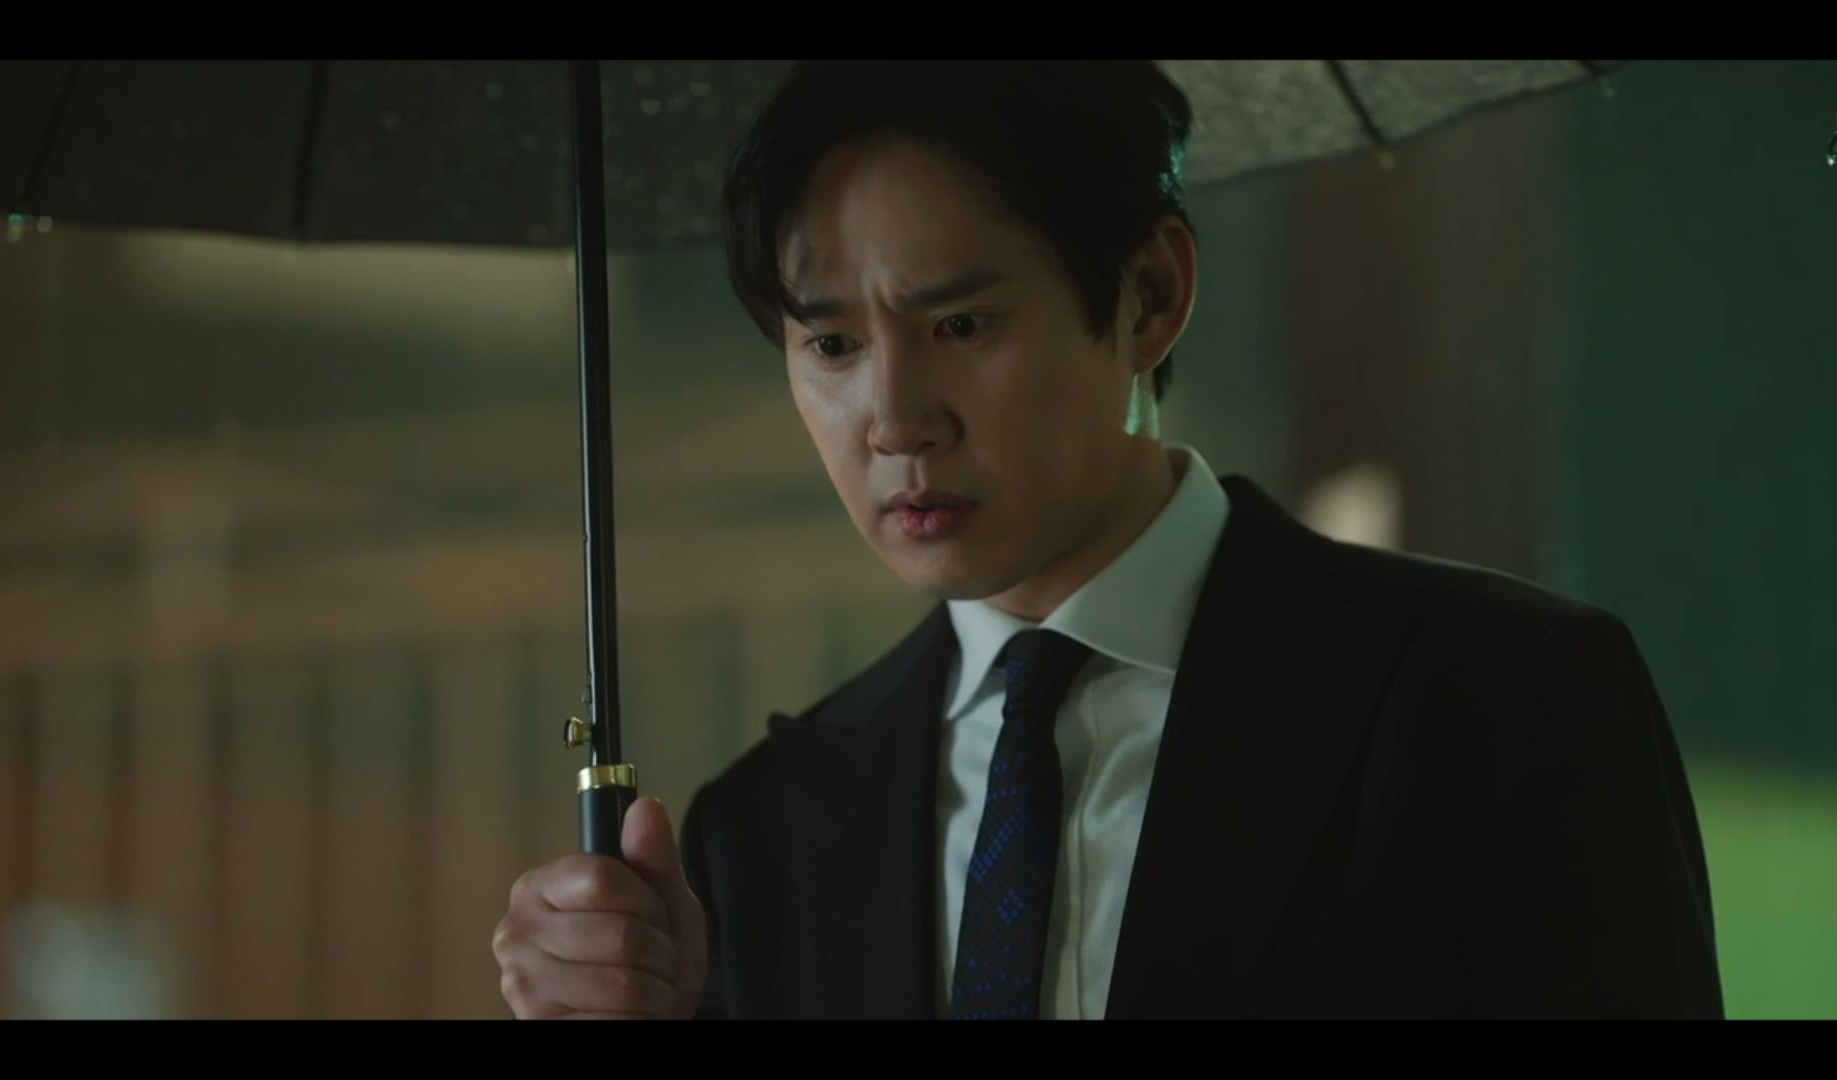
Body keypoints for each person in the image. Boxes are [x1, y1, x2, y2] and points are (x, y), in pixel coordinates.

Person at [491, 60, 1724, 1020]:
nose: (895, 420)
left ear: (1149, 296)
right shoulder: (765, 834)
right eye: (831, 344)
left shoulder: (1493, 705)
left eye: (961, 325)